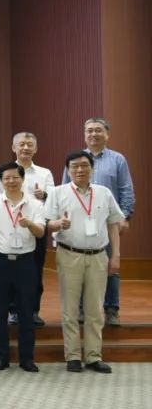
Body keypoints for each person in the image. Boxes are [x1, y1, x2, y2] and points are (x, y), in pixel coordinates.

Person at [47, 150, 124, 373]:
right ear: (68, 170)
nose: (80, 170)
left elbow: (114, 225)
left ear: (92, 168)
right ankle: (72, 355)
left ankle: (93, 356)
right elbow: (47, 222)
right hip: (69, 254)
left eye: (84, 165)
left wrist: (116, 255)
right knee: (70, 308)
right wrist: (58, 224)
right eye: (74, 166)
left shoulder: (104, 193)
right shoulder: (57, 192)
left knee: (95, 309)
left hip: (98, 255)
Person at [62, 118, 135, 327]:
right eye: (89, 131)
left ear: (107, 134)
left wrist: (125, 217)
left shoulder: (118, 159)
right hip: (78, 222)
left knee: (111, 266)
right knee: (81, 266)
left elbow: (126, 190)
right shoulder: (75, 159)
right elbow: (64, 189)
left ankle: (111, 309)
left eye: (98, 130)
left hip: (108, 223)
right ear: (84, 134)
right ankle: (82, 309)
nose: (93, 134)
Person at [0, 162, 46, 372]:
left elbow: (41, 233)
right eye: (7, 178)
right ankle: (0, 357)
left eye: (15, 177)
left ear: (22, 179)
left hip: (26, 263)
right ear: (1, 181)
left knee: (26, 312)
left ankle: (27, 359)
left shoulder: (35, 204)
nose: (11, 181)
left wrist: (29, 224)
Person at [0, 132, 54, 327]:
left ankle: (33, 310)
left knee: (35, 270)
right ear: (14, 148)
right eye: (21, 144)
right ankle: (13, 311)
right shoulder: (4, 172)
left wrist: (44, 195)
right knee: (10, 272)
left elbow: (53, 201)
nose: (25, 148)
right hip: (8, 229)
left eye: (29, 145)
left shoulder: (45, 173)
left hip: (36, 228)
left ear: (35, 149)